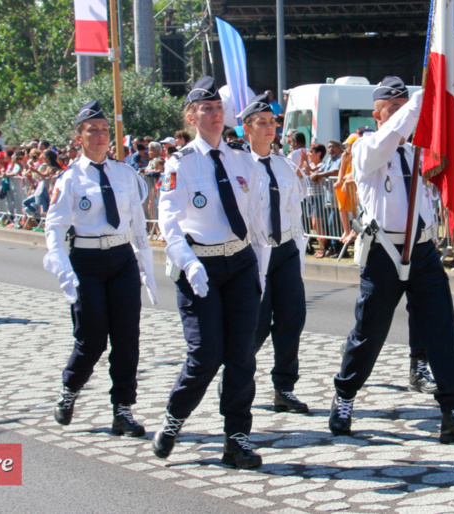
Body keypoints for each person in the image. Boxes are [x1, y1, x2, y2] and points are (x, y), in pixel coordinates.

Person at [329, 77, 454, 444]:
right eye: (393, 108)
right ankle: (345, 396)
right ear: (377, 114)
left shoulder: (419, 151)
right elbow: (388, 139)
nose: (402, 113)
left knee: (442, 330)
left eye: (405, 105)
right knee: (369, 333)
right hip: (385, 252)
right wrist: (417, 105)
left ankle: (453, 411)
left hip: (422, 250)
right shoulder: (366, 147)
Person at [153, 76, 269, 469]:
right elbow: (168, 222)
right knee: (205, 356)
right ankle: (174, 419)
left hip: (238, 263)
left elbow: (253, 216)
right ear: (191, 117)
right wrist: (189, 263)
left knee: (241, 356)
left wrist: (261, 265)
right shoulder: (180, 163)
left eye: (218, 107)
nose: (215, 113)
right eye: (206, 109)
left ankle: (236, 438)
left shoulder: (240, 158)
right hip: (199, 265)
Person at [43, 100, 158, 437]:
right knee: (91, 339)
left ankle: (122, 409)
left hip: (121, 259)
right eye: (92, 130)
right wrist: (63, 269)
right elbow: (55, 227)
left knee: (126, 338)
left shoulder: (125, 174)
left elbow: (138, 226)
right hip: (87, 262)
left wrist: (146, 268)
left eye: (105, 130)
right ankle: (69, 390)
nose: (100, 136)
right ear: (79, 137)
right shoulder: (70, 179)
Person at [241, 94, 310, 414]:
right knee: (256, 325)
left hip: (285, 250)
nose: (270, 128)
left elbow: (295, 208)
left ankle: (284, 387)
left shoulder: (285, 165)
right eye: (262, 123)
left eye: (272, 122)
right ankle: (237, 378)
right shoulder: (238, 166)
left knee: (291, 318)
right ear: (246, 129)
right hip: (254, 253)